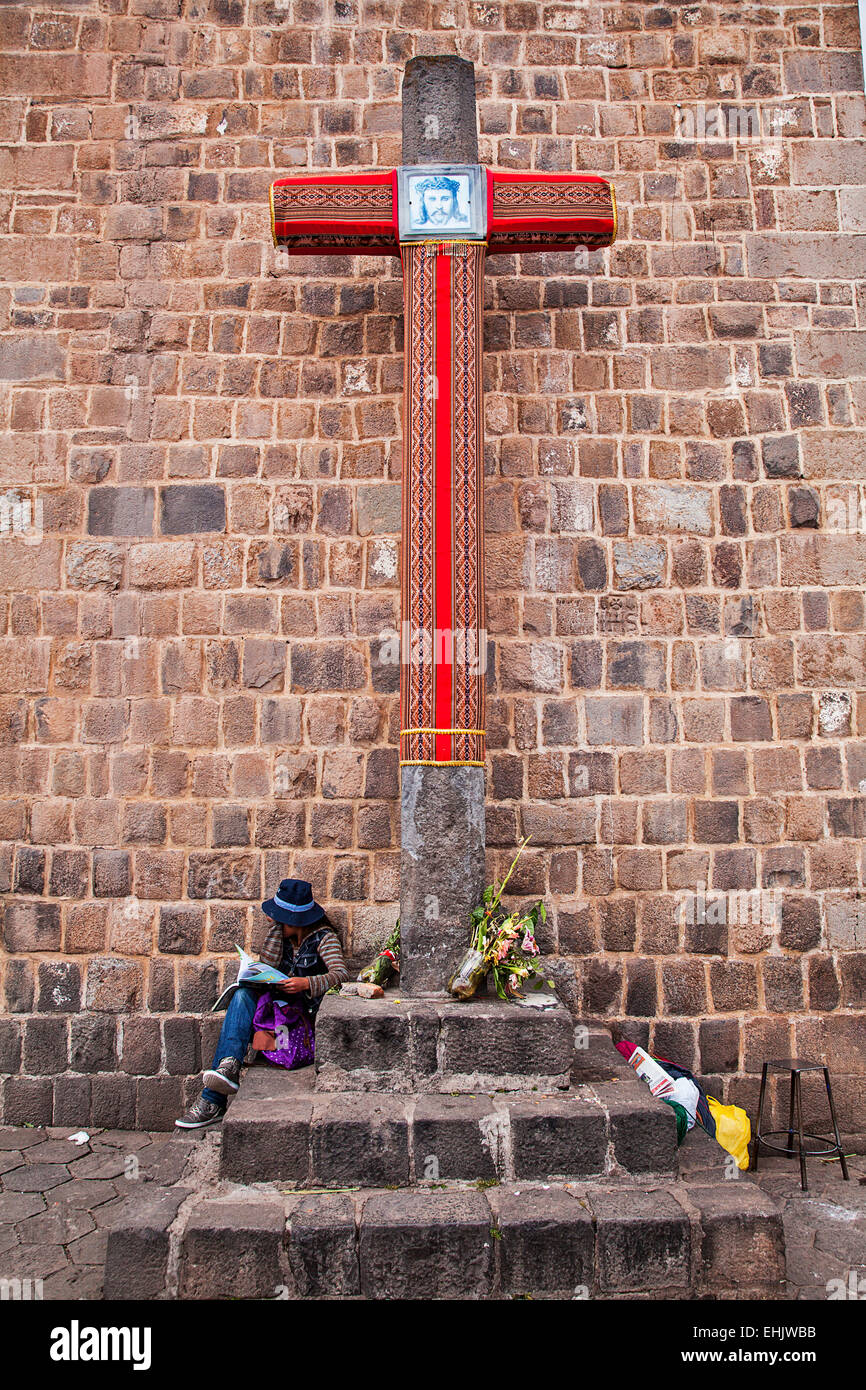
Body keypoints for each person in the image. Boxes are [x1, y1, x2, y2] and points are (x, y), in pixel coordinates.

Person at [176, 878, 348, 1129]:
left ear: (295, 919)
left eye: (279, 917)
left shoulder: (324, 938)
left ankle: (212, 1100)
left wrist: (306, 983)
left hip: (298, 1021)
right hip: (274, 1014)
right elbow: (266, 968)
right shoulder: (280, 936)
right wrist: (277, 934)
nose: (272, 920)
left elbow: (341, 975)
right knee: (243, 994)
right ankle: (228, 1068)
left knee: (248, 997)